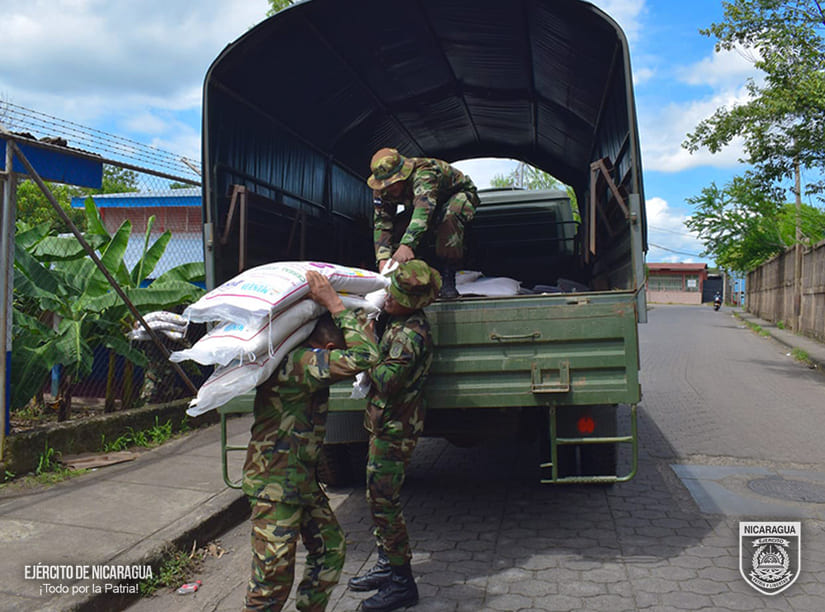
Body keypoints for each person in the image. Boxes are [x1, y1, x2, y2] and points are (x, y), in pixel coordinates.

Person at [242, 270, 380, 611]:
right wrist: (335, 303)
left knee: (329, 549)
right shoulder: (301, 363)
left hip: (299, 482)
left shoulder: (304, 361)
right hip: (275, 487)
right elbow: (366, 358)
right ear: (330, 349)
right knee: (271, 582)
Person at [348, 260, 442, 611]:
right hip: (387, 424)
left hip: (396, 428)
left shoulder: (410, 335)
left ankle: (403, 583)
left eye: (396, 295)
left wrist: (367, 341)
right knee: (377, 498)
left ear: (413, 302)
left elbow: (387, 380)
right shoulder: (399, 322)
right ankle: (388, 564)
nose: (388, 298)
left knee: (384, 501)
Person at [367, 147, 479, 299]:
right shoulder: (381, 188)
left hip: (456, 197)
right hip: (423, 204)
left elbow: (424, 209)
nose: (389, 188)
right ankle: (410, 278)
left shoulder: (424, 172)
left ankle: (448, 275)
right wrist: (383, 258)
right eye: (385, 184)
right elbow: (382, 222)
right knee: (400, 227)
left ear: (403, 175)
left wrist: (407, 245)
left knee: (449, 216)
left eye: (393, 183)